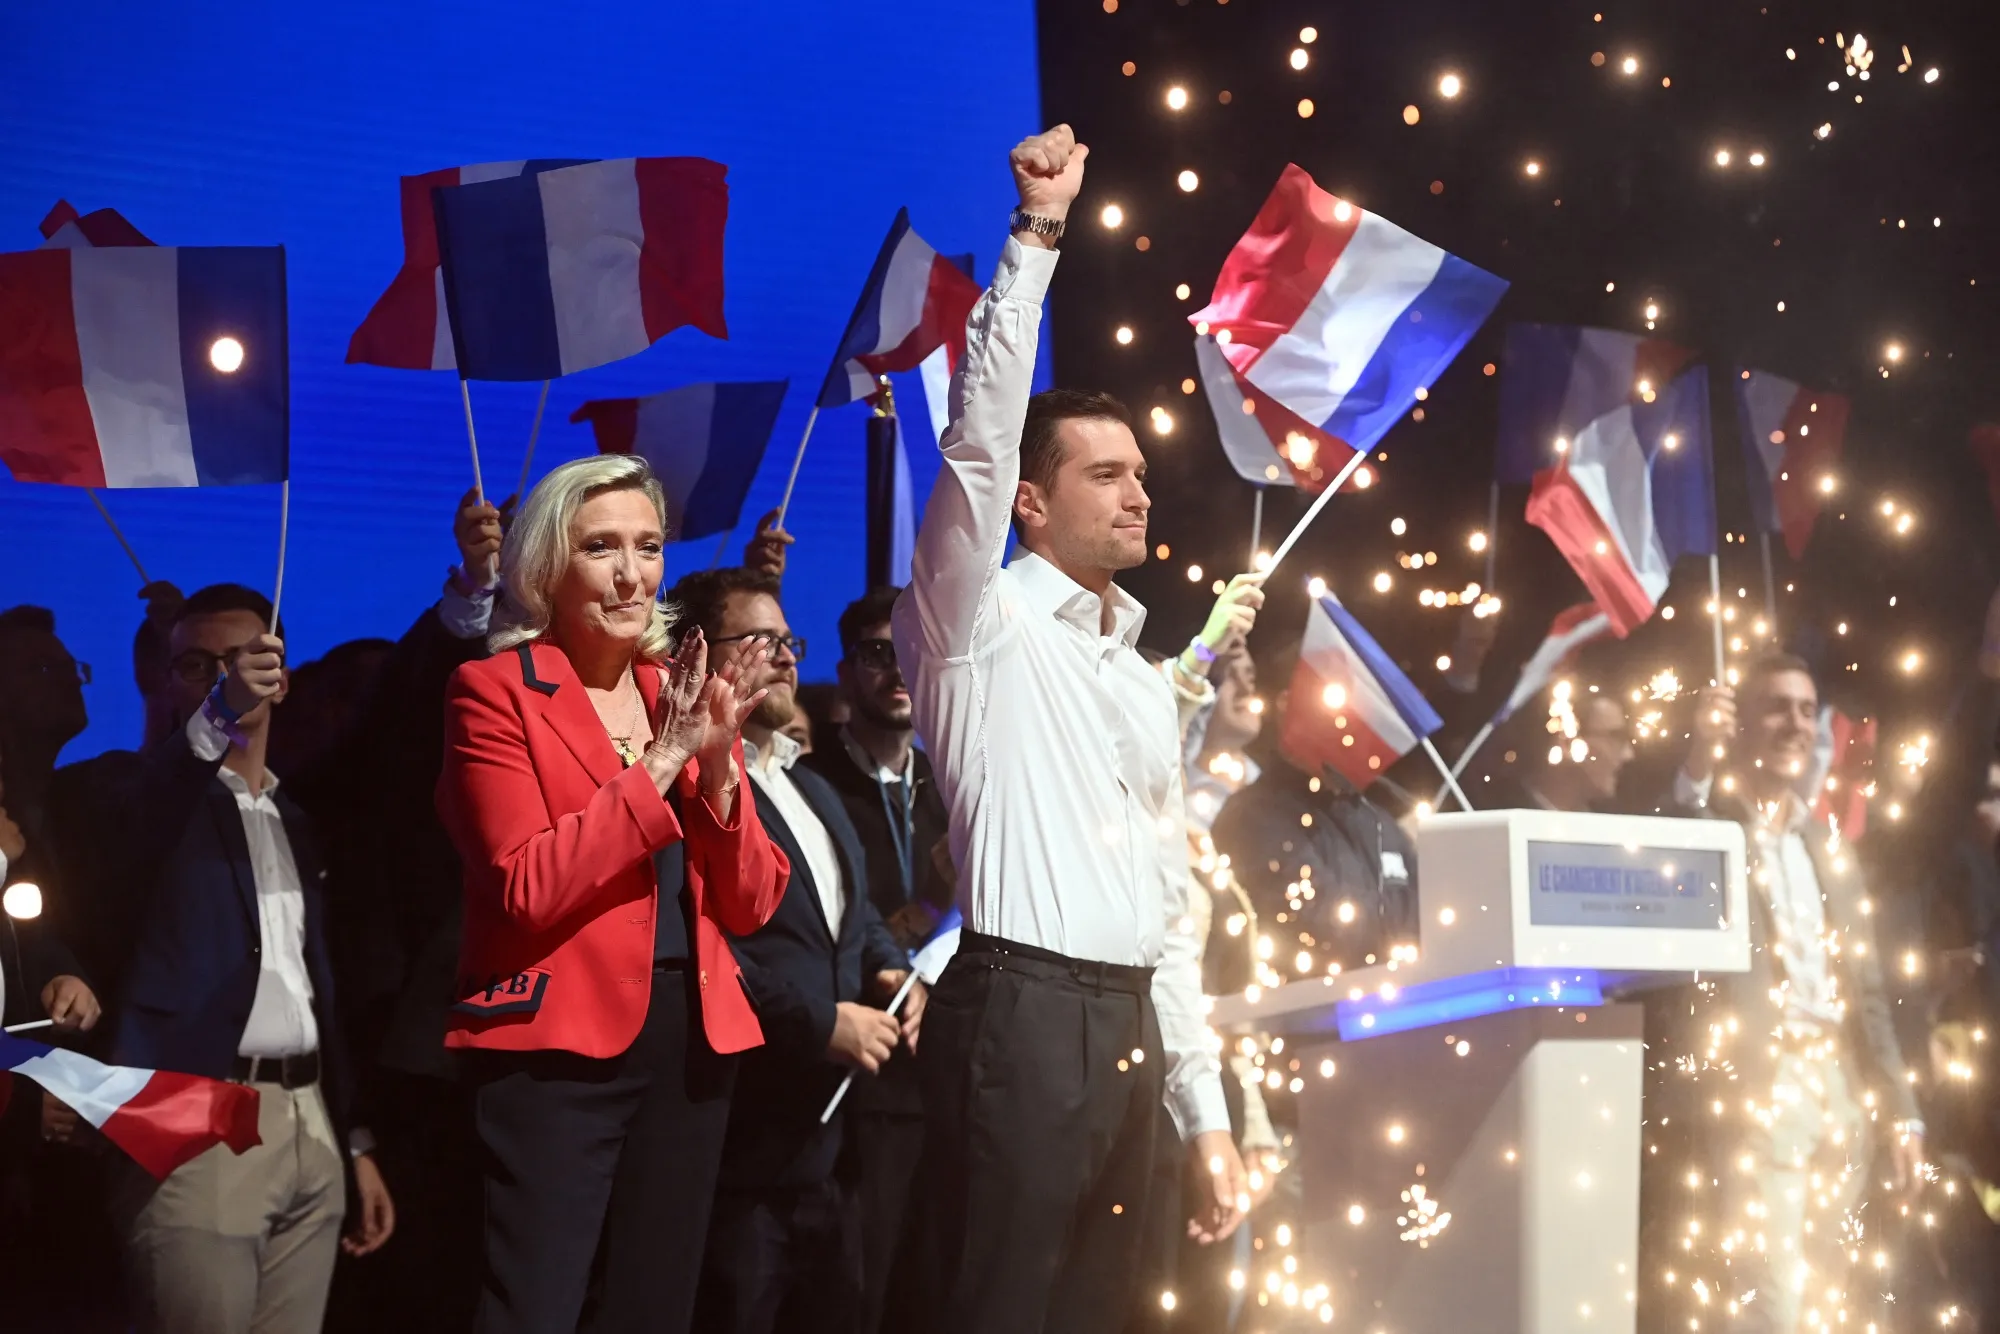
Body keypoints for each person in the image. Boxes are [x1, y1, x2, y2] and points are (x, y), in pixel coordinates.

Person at [892, 124, 1245, 1333]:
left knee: (1110, 1312)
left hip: (1131, 1017)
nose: (1137, 490)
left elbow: (1165, 907)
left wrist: (1204, 1113)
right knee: (992, 1307)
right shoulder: (973, 621)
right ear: (1030, 504)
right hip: (1019, 1012)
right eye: (1103, 473)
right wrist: (1036, 237)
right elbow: (978, 441)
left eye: (1140, 471)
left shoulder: (1143, 677)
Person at [435, 453, 788, 1334]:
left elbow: (750, 905)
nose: (633, 574)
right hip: (558, 1050)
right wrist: (662, 761)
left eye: (649, 547)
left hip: (691, 1044)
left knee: (655, 1310)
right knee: (535, 1309)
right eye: (602, 548)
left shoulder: (682, 692)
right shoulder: (494, 693)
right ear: (547, 566)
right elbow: (526, 884)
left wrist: (712, 765)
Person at [55, 584, 394, 1334]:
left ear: (281, 673)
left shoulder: (296, 820)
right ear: (167, 682)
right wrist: (218, 712)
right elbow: (146, 810)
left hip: (307, 1121)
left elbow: (314, 991)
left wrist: (352, 1139)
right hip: (198, 1119)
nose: (221, 679)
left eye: (241, 662)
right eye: (197, 667)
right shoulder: (132, 800)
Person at [670, 567, 920, 1334]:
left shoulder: (806, 785)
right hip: (740, 1144)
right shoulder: (685, 787)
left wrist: (894, 969)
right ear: (704, 655)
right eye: (764, 641)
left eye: (789, 642)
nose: (786, 659)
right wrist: (821, 1025)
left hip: (832, 1155)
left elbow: (856, 914)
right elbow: (701, 943)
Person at [1663, 653, 1922, 1333]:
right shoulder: (1712, 826)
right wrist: (1697, 761)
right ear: (1739, 722)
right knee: (1770, 1305)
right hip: (1761, 1082)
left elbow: (1868, 994)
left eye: (1808, 709)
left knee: (1832, 1300)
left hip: (1840, 1086)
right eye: (1777, 706)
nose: (1796, 723)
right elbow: (1665, 851)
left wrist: (1903, 1111)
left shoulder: (1826, 845)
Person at [803, 586, 956, 1333]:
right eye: (878, 652)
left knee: (930, 1289)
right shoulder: (813, 781)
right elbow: (828, 922)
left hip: (944, 1072)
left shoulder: (951, 785)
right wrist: (922, 918)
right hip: (843, 1076)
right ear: (846, 666)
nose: (899, 670)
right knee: (851, 1294)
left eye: (914, 652)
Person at [1211, 638, 1420, 977]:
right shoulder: (1252, 817)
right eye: (1336, 696)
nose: (1353, 713)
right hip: (1311, 1025)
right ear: (1287, 706)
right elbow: (1326, 931)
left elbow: (1439, 916)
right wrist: (1407, 916)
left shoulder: (1377, 818)